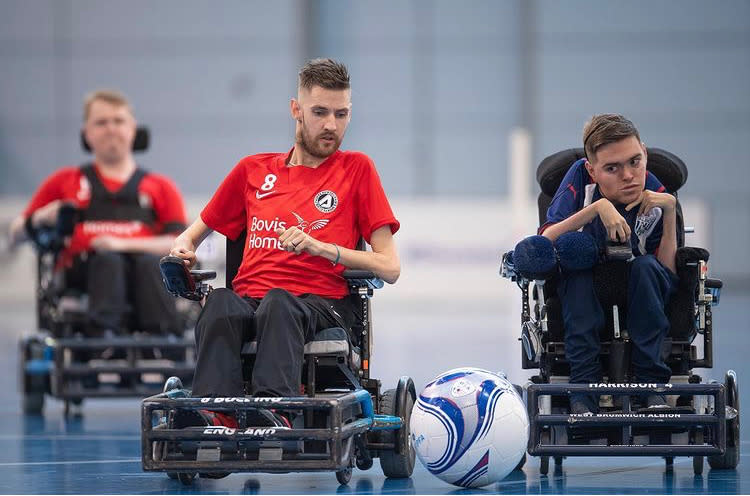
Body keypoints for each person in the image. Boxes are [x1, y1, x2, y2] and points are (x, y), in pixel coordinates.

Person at [169, 59, 400, 428]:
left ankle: (274, 408)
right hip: (250, 301)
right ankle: (215, 412)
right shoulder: (252, 170)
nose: (331, 125)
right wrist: (183, 245)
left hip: (321, 303)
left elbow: (391, 267)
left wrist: (323, 248)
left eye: (341, 114)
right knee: (220, 303)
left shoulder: (357, 169)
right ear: (296, 110)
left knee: (279, 302)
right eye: (320, 112)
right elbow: (194, 231)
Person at [9, 90, 187, 336]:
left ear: (133, 130)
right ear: (87, 134)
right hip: (83, 277)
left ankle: (163, 346)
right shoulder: (64, 181)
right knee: (107, 261)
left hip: (148, 275)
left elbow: (179, 244)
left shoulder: (161, 187)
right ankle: (104, 346)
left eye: (118, 121)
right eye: (101, 122)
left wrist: (118, 244)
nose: (111, 129)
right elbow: (15, 233)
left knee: (147, 264)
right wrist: (41, 217)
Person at [540, 113, 678, 414]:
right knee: (576, 275)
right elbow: (545, 238)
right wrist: (596, 208)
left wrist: (670, 212)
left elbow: (667, 272)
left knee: (646, 268)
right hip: (590, 286)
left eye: (635, 161)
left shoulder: (657, 193)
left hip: (640, 287)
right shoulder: (579, 180)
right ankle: (582, 391)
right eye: (612, 168)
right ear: (592, 170)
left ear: (643, 152)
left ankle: (652, 387)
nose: (628, 176)